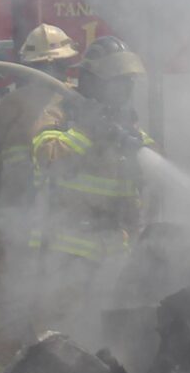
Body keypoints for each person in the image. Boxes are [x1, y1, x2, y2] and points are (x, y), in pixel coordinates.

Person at [27, 37, 150, 347]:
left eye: (128, 81)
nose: (125, 89)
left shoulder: (124, 119)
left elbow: (151, 159)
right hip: (64, 251)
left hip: (112, 252)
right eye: (118, 81)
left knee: (105, 337)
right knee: (60, 340)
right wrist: (87, 132)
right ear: (95, 81)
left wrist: (140, 148)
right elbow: (47, 155)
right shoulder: (62, 110)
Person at [0, 24, 82, 364]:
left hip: (18, 229)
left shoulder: (5, 108)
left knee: (12, 311)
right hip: (56, 231)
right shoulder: (75, 104)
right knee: (49, 313)